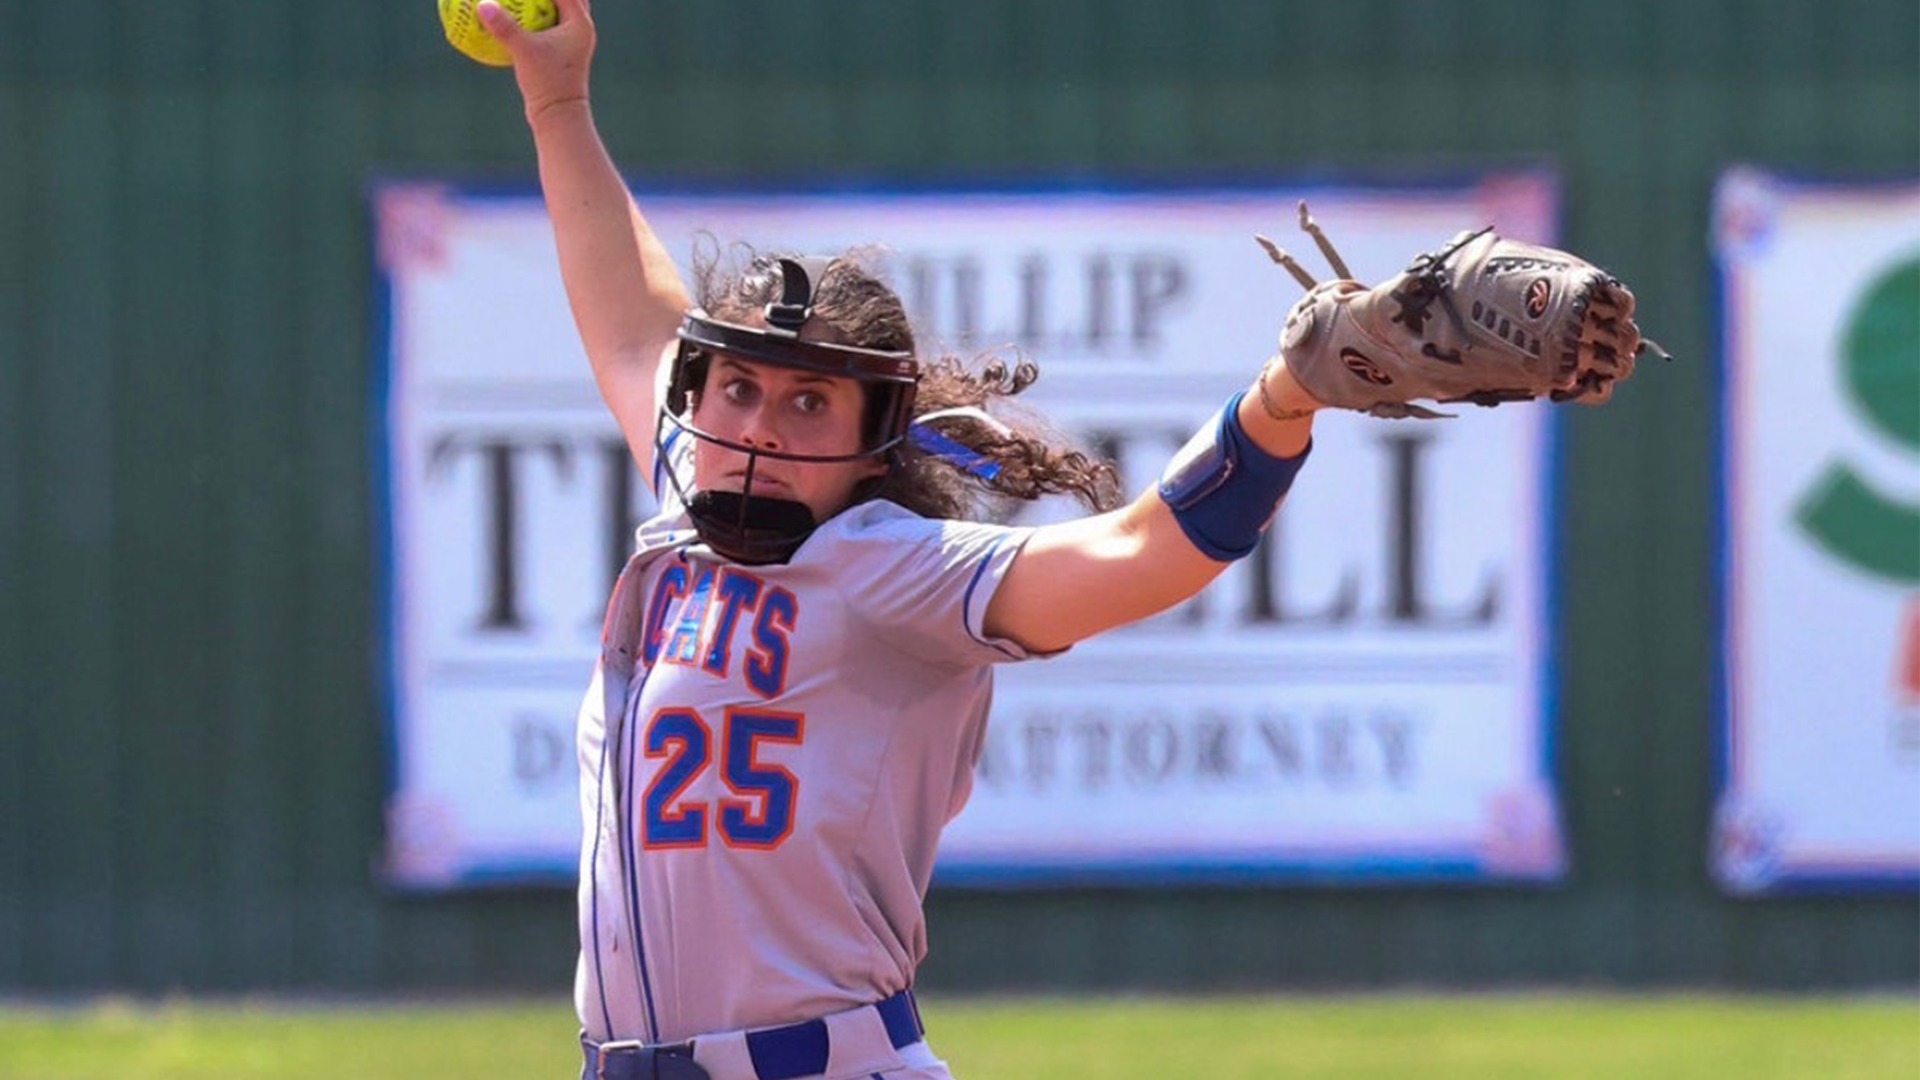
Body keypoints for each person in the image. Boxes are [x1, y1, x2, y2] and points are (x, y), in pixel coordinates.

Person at [477, 2, 1640, 1078]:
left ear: (873, 441)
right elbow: (631, 321)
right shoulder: (691, 497)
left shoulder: (889, 569)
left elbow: (1143, 555)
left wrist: (1284, 399)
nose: (758, 428)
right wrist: (557, 101)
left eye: (806, 403)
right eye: (736, 386)